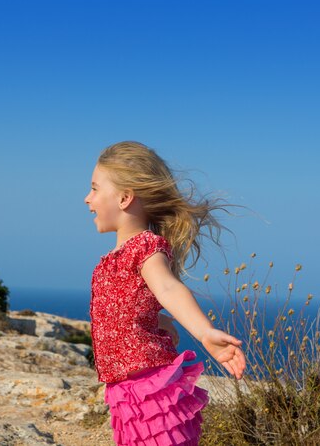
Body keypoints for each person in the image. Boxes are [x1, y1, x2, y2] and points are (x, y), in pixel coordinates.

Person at [84, 141, 246, 446]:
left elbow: (168, 287)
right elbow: (130, 304)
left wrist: (204, 332)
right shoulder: (114, 258)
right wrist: (157, 321)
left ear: (124, 197)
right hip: (125, 393)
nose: (87, 198)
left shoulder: (144, 247)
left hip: (149, 390)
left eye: (94, 189)